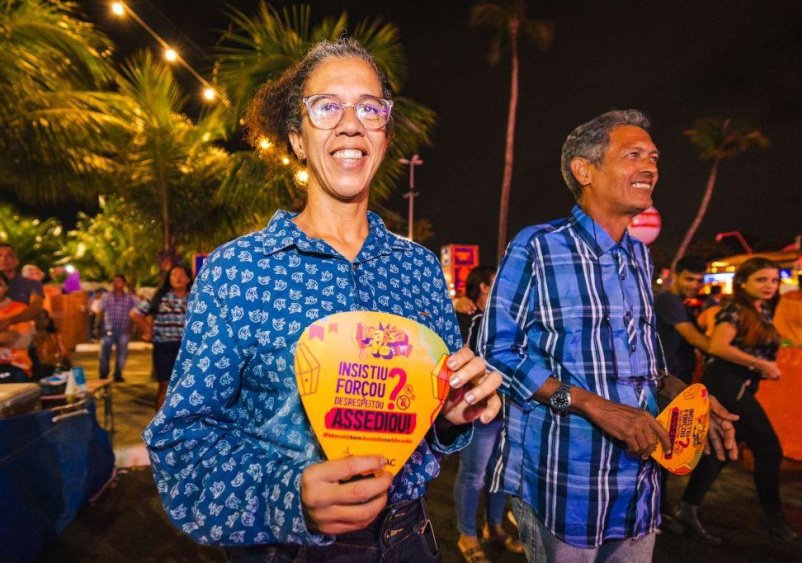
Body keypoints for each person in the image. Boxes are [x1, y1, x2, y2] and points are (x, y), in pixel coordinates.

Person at [143, 38, 503, 561]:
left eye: (369, 108)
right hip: (284, 550)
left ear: (384, 133)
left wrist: (451, 413)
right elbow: (183, 438)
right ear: (296, 138)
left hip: (409, 540)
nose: (351, 123)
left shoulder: (420, 270)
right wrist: (289, 499)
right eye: (327, 106)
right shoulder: (238, 272)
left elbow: (430, 422)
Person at [479, 110, 738, 562]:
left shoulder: (639, 255)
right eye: (633, 155)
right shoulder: (538, 247)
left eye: (653, 158)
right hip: (565, 484)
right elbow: (496, 352)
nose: (650, 168)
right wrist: (590, 404)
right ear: (584, 169)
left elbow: (646, 360)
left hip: (640, 485)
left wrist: (681, 394)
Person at [674, 258, 802, 551]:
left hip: (738, 385)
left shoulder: (760, 310)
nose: (769, 286)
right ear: (743, 283)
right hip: (727, 384)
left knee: (719, 453)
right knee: (769, 449)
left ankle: (687, 510)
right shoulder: (735, 308)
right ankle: (774, 523)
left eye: (774, 281)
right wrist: (760, 363)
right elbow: (717, 347)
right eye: (761, 280)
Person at [453, 265, 522, 562]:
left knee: (500, 475)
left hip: (510, 410)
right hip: (480, 411)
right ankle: (466, 535)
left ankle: (493, 527)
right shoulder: (470, 317)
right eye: (498, 281)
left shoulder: (510, 319)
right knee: (473, 475)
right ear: (483, 286)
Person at [130, 265, 193, 410]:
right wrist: (147, 330)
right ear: (169, 278)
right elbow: (135, 313)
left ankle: (181, 423)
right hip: (164, 347)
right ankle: (160, 426)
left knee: (186, 386)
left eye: (182, 275)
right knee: (165, 385)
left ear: (188, 279)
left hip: (187, 349)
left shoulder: (195, 298)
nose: (177, 278)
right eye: (174, 275)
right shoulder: (159, 296)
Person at [655, 257, 710, 385]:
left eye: (699, 281)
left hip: (675, 376)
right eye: (689, 279)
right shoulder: (668, 299)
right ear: (676, 275)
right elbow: (694, 338)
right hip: (669, 378)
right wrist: (723, 350)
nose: (695, 285)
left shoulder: (680, 304)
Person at [98, 275, 136, 383]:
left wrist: (130, 327)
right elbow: (101, 312)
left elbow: (134, 314)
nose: (116, 284)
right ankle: (103, 374)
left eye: (119, 281)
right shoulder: (106, 297)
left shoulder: (130, 299)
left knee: (122, 354)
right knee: (104, 353)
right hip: (108, 329)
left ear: (124, 284)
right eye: (114, 281)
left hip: (123, 330)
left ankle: (118, 375)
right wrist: (98, 327)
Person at [0, 272, 34, 382]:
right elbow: (10, 338)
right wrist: (5, 336)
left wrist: (9, 336)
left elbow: (23, 341)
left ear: (6, 288)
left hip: (16, 366)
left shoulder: (20, 309)